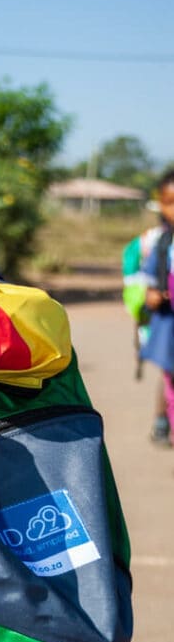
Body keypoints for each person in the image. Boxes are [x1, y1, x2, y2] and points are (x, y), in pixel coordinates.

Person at [139, 170, 174, 446]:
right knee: (169, 376)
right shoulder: (163, 243)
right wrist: (152, 295)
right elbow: (148, 280)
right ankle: (163, 419)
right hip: (169, 326)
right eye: (170, 202)